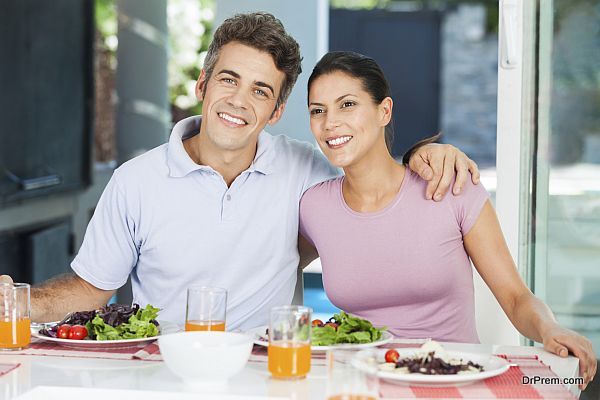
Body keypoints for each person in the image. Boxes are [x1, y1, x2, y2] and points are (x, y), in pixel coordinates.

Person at [0, 13, 479, 332]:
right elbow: (90, 289)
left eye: (261, 90)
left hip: (271, 374)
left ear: (275, 110)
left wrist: (429, 156)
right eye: (229, 80)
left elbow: (374, 181)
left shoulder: (307, 171)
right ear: (203, 85)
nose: (239, 101)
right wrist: (21, 302)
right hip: (169, 373)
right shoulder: (135, 182)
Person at [298, 51, 596, 388]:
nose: (330, 123)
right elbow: (277, 263)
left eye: (347, 104)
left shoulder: (451, 186)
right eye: (317, 111)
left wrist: (548, 328)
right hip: (360, 385)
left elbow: (516, 298)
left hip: (453, 382)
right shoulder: (314, 207)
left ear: (384, 111)